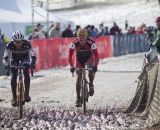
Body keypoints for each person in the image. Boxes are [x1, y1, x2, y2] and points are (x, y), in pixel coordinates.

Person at [2, 31, 36, 106]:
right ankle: (14, 98)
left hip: (25, 57)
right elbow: (5, 57)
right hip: (14, 58)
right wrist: (6, 64)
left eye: (19, 42)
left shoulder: (27, 43)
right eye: (16, 42)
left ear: (22, 41)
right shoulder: (10, 45)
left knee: (26, 73)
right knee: (14, 76)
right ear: (13, 41)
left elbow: (33, 56)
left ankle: (26, 95)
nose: (18, 44)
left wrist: (32, 63)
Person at [69, 28, 99, 107]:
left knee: (90, 71)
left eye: (83, 39)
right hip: (79, 58)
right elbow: (70, 55)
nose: (82, 41)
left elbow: (96, 55)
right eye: (80, 39)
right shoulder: (74, 43)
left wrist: (95, 65)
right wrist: (71, 66)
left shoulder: (91, 42)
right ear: (77, 37)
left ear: (86, 37)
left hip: (89, 57)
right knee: (79, 76)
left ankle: (91, 84)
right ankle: (78, 98)